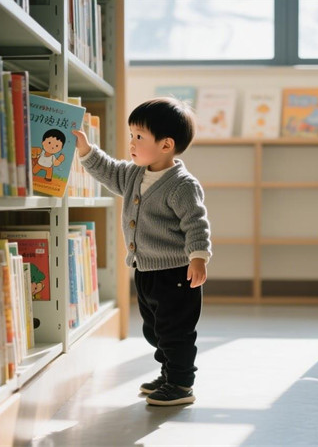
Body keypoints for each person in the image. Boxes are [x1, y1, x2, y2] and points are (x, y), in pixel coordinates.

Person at [72, 97, 211, 406]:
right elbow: (108, 170)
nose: (131, 143)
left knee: (175, 331)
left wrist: (198, 257)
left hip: (176, 273)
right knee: (155, 331)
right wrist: (85, 149)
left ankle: (181, 384)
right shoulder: (135, 174)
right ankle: (168, 372)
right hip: (146, 271)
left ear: (166, 145)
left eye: (139, 137)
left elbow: (196, 222)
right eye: (131, 135)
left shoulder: (182, 185)